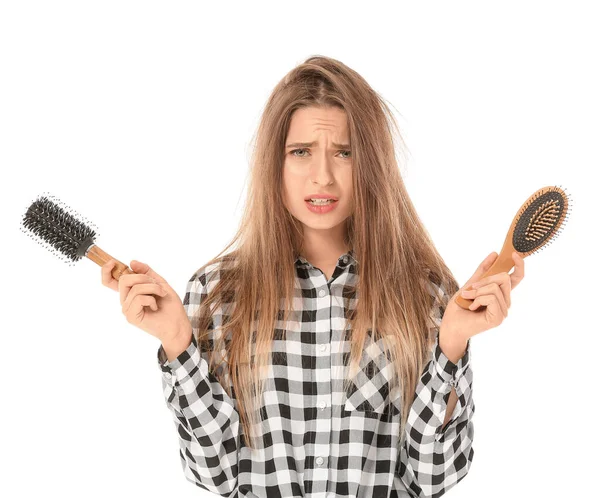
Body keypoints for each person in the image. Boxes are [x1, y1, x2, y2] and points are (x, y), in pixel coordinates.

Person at [101, 55, 525, 498]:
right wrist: (176, 341)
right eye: (300, 152)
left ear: (371, 166)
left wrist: (451, 345)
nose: (322, 177)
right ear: (274, 164)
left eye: (344, 153)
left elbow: (433, 477)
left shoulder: (424, 293)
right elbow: (217, 475)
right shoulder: (216, 294)